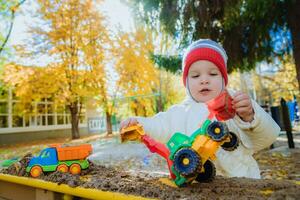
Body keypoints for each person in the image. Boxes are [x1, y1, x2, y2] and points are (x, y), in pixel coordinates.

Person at [120, 39, 280, 179]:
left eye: (212, 74)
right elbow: (158, 126)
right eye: (195, 76)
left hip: (243, 181)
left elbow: (269, 136)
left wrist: (250, 117)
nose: (204, 80)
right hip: (198, 187)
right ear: (186, 83)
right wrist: (138, 123)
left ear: (224, 79)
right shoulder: (179, 112)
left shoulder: (235, 104)